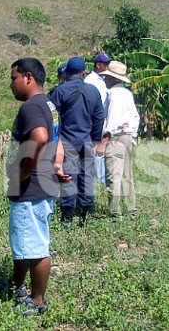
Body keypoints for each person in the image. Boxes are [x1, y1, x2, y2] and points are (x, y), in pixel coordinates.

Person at [5, 57, 69, 315]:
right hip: (43, 184)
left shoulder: (30, 107)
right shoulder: (50, 104)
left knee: (36, 248)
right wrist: (57, 164)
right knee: (24, 242)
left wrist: (22, 174)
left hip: (30, 188)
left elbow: (41, 137)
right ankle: (15, 285)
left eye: (13, 78)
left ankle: (38, 301)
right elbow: (57, 137)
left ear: (28, 77)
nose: (11, 84)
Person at [48, 56, 105, 229]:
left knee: (68, 178)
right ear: (84, 71)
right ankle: (85, 217)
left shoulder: (60, 91)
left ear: (67, 72)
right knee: (87, 177)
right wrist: (95, 139)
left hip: (66, 142)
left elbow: (52, 117)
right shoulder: (93, 91)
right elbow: (99, 118)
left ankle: (67, 220)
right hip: (86, 141)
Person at [97, 61, 140, 220]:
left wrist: (103, 142)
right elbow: (136, 117)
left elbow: (112, 120)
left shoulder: (113, 95)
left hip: (115, 138)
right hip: (128, 137)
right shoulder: (128, 94)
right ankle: (131, 210)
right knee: (127, 176)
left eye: (108, 77)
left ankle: (114, 213)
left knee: (113, 177)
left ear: (113, 79)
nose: (106, 80)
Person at [84, 53, 111, 184]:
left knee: (102, 152)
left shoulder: (105, 80)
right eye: (105, 64)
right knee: (96, 152)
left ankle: (100, 179)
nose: (107, 66)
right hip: (94, 121)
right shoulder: (90, 81)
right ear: (98, 65)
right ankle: (97, 181)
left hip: (104, 120)